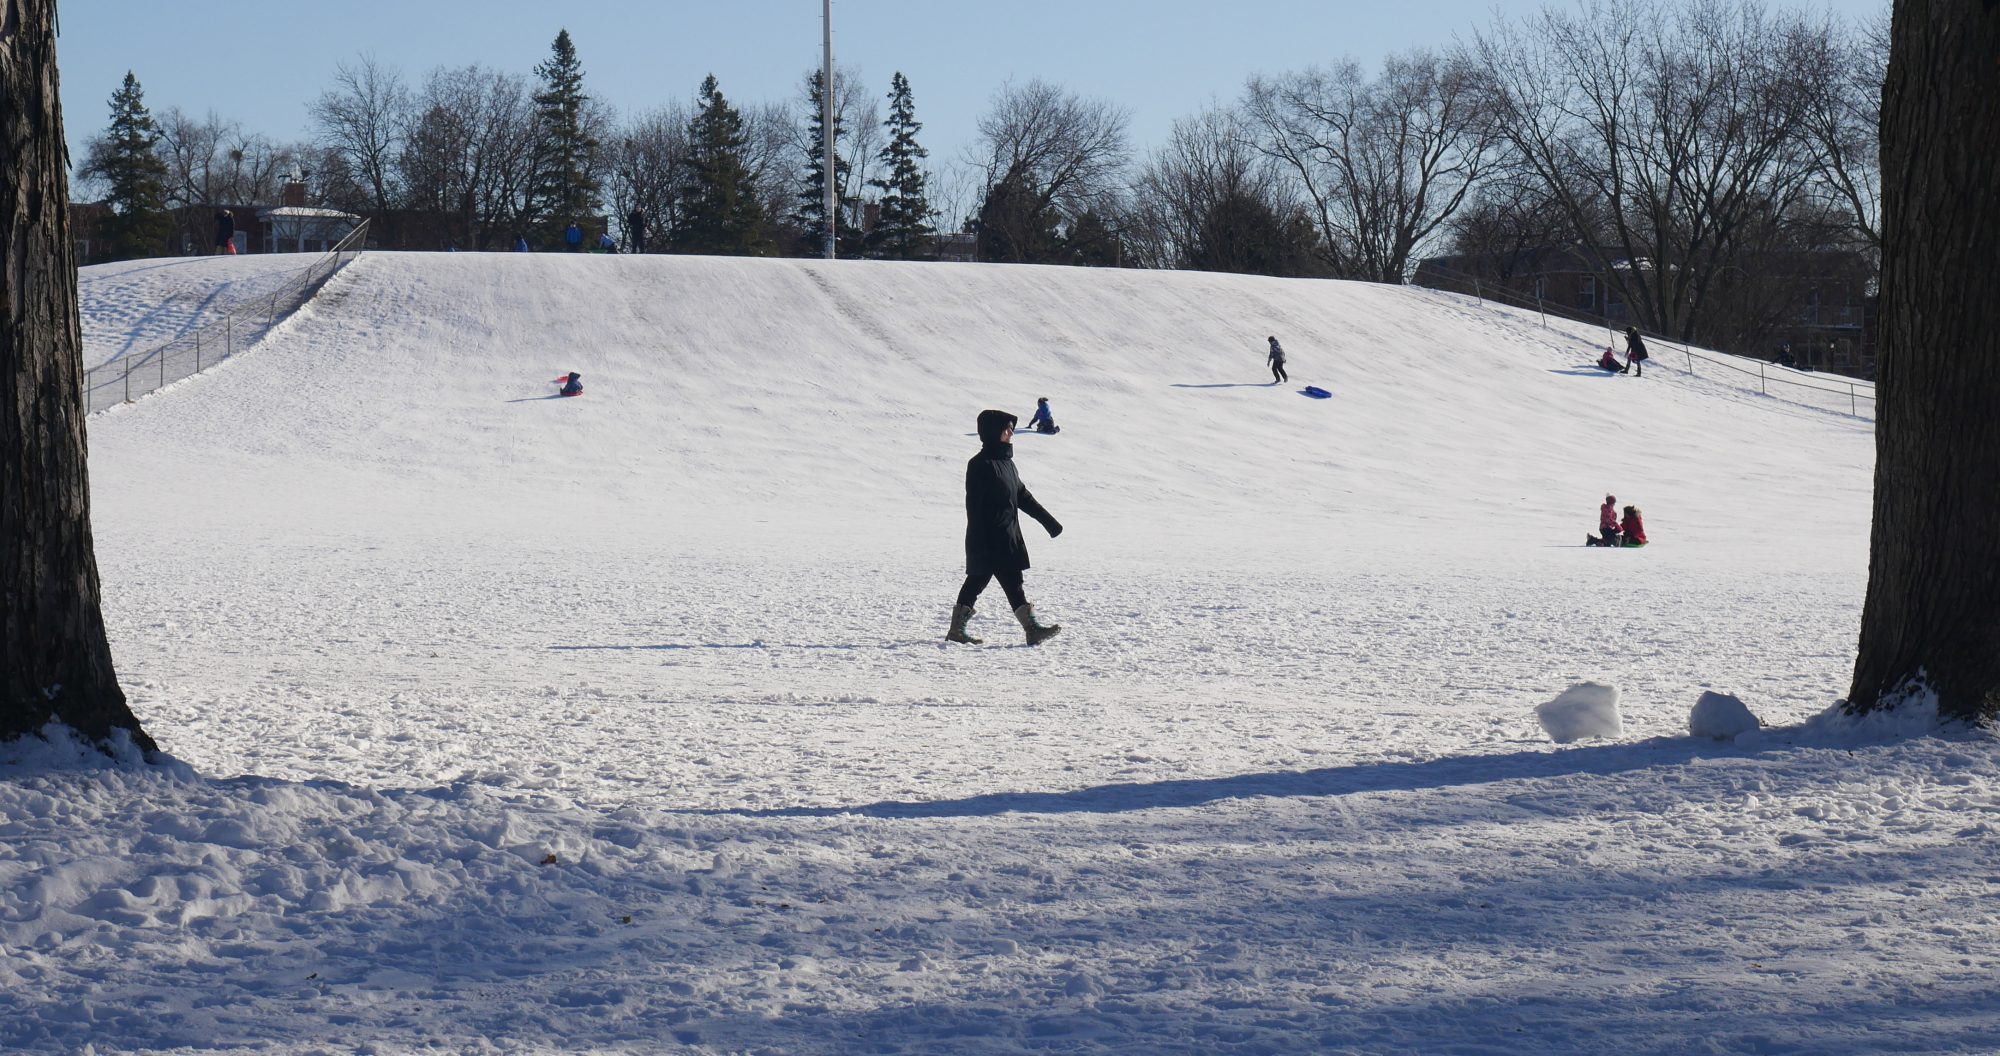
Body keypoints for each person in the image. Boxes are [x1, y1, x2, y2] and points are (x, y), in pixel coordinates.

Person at [948, 410, 1064, 646]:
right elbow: (974, 507)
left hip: (1007, 536)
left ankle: (1031, 630)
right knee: (978, 580)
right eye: (1007, 428)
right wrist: (981, 540)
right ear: (993, 432)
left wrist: (1049, 522)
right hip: (988, 538)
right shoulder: (980, 465)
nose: (1011, 432)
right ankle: (957, 631)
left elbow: (1023, 497)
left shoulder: (1008, 465)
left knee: (1011, 581)